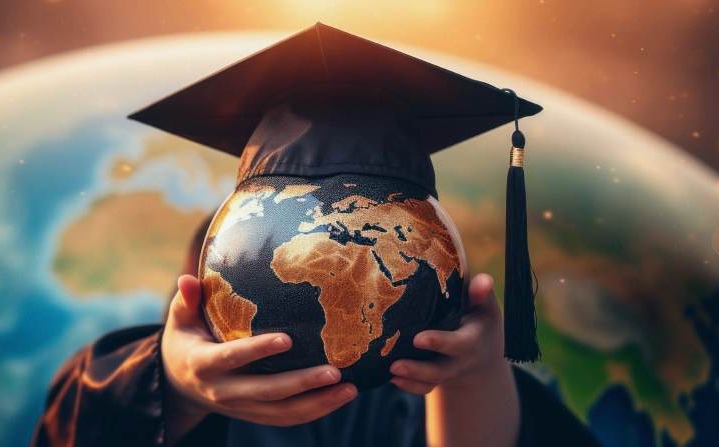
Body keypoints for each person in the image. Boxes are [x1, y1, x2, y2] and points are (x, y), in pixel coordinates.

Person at [31, 23, 602, 446]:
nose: (342, 260)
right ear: (210, 284)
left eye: (386, 240)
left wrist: (476, 378)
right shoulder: (176, 390)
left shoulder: (420, 391)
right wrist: (174, 385)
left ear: (427, 258)